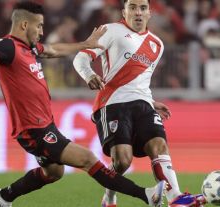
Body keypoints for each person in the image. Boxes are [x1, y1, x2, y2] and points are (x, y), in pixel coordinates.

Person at [0, 1, 166, 207]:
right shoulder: (7, 46)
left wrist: (85, 44)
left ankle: (4, 197)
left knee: (54, 172)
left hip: (45, 125)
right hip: (33, 130)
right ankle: (146, 195)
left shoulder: (29, 49)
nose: (41, 32)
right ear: (24, 24)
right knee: (88, 159)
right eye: (38, 26)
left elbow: (54, 49)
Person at [73, 0, 207, 207]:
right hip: (113, 102)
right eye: (133, 7)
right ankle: (109, 196)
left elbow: (139, 81)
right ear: (124, 12)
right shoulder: (110, 30)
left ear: (149, 13)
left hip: (143, 104)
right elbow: (80, 59)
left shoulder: (157, 44)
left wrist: (150, 102)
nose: (138, 12)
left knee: (158, 145)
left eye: (142, 8)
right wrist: (89, 74)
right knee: (122, 161)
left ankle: (176, 198)